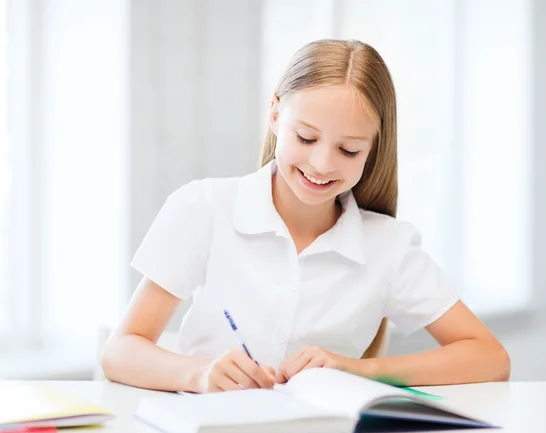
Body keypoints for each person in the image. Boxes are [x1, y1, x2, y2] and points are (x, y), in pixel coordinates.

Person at [101, 39, 510, 394]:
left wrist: (359, 371)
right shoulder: (204, 208)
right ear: (276, 114)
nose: (321, 163)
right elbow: (120, 351)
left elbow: (490, 358)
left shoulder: (389, 246)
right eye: (306, 137)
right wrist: (200, 374)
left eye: (348, 150)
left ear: (373, 149)